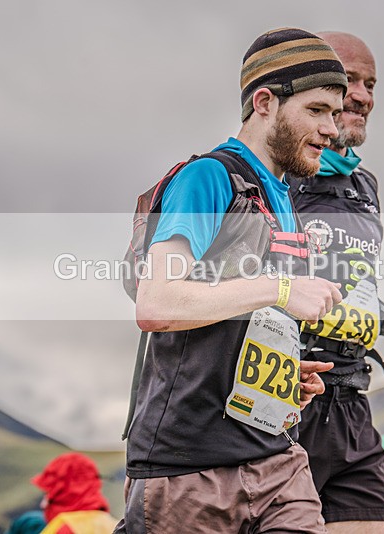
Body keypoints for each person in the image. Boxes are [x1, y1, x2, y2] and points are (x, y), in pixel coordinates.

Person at [117, 28, 352, 533]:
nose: (333, 129)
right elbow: (157, 303)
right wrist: (284, 289)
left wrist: (286, 377)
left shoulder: (282, 199)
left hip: (277, 460)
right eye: (317, 110)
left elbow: (241, 322)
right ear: (264, 102)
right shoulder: (208, 177)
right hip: (188, 470)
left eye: (336, 113)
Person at [288, 32, 384, 534]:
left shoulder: (363, 184)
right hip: (283, 402)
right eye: (348, 79)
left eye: (370, 83)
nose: (363, 95)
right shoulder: (271, 172)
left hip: (351, 403)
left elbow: (347, 287)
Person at [31, 452, 118, 534]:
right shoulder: (115, 525)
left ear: (64, 494)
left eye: (49, 493)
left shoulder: (65, 529)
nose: (43, 504)